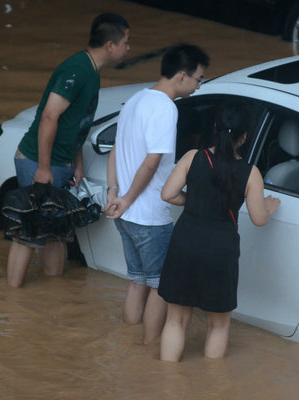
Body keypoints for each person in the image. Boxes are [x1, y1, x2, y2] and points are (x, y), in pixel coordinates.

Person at [6, 13, 131, 288]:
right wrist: (43, 168)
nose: (128, 48)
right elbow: (50, 116)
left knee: (57, 232)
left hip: (61, 163)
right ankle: (11, 298)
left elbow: (75, 123)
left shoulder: (91, 72)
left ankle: (54, 298)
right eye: (126, 42)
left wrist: (78, 163)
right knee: (30, 232)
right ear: (110, 45)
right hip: (37, 162)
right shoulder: (78, 70)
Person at [103, 44, 210, 345]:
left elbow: (114, 151)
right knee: (160, 287)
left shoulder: (136, 99)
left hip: (123, 215)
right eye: (198, 79)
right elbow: (152, 162)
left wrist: (116, 194)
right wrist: (129, 198)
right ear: (181, 76)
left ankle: (128, 345)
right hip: (148, 215)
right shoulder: (165, 108)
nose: (199, 86)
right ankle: (149, 349)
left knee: (137, 282)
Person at [158, 101, 281, 361]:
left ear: (215, 127)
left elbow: (168, 194)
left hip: (185, 242)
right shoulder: (251, 173)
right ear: (245, 136)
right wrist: (269, 207)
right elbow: (259, 219)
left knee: (176, 320)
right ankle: (213, 387)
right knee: (218, 325)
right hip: (220, 249)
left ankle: (165, 383)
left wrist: (192, 201)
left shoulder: (193, 157)